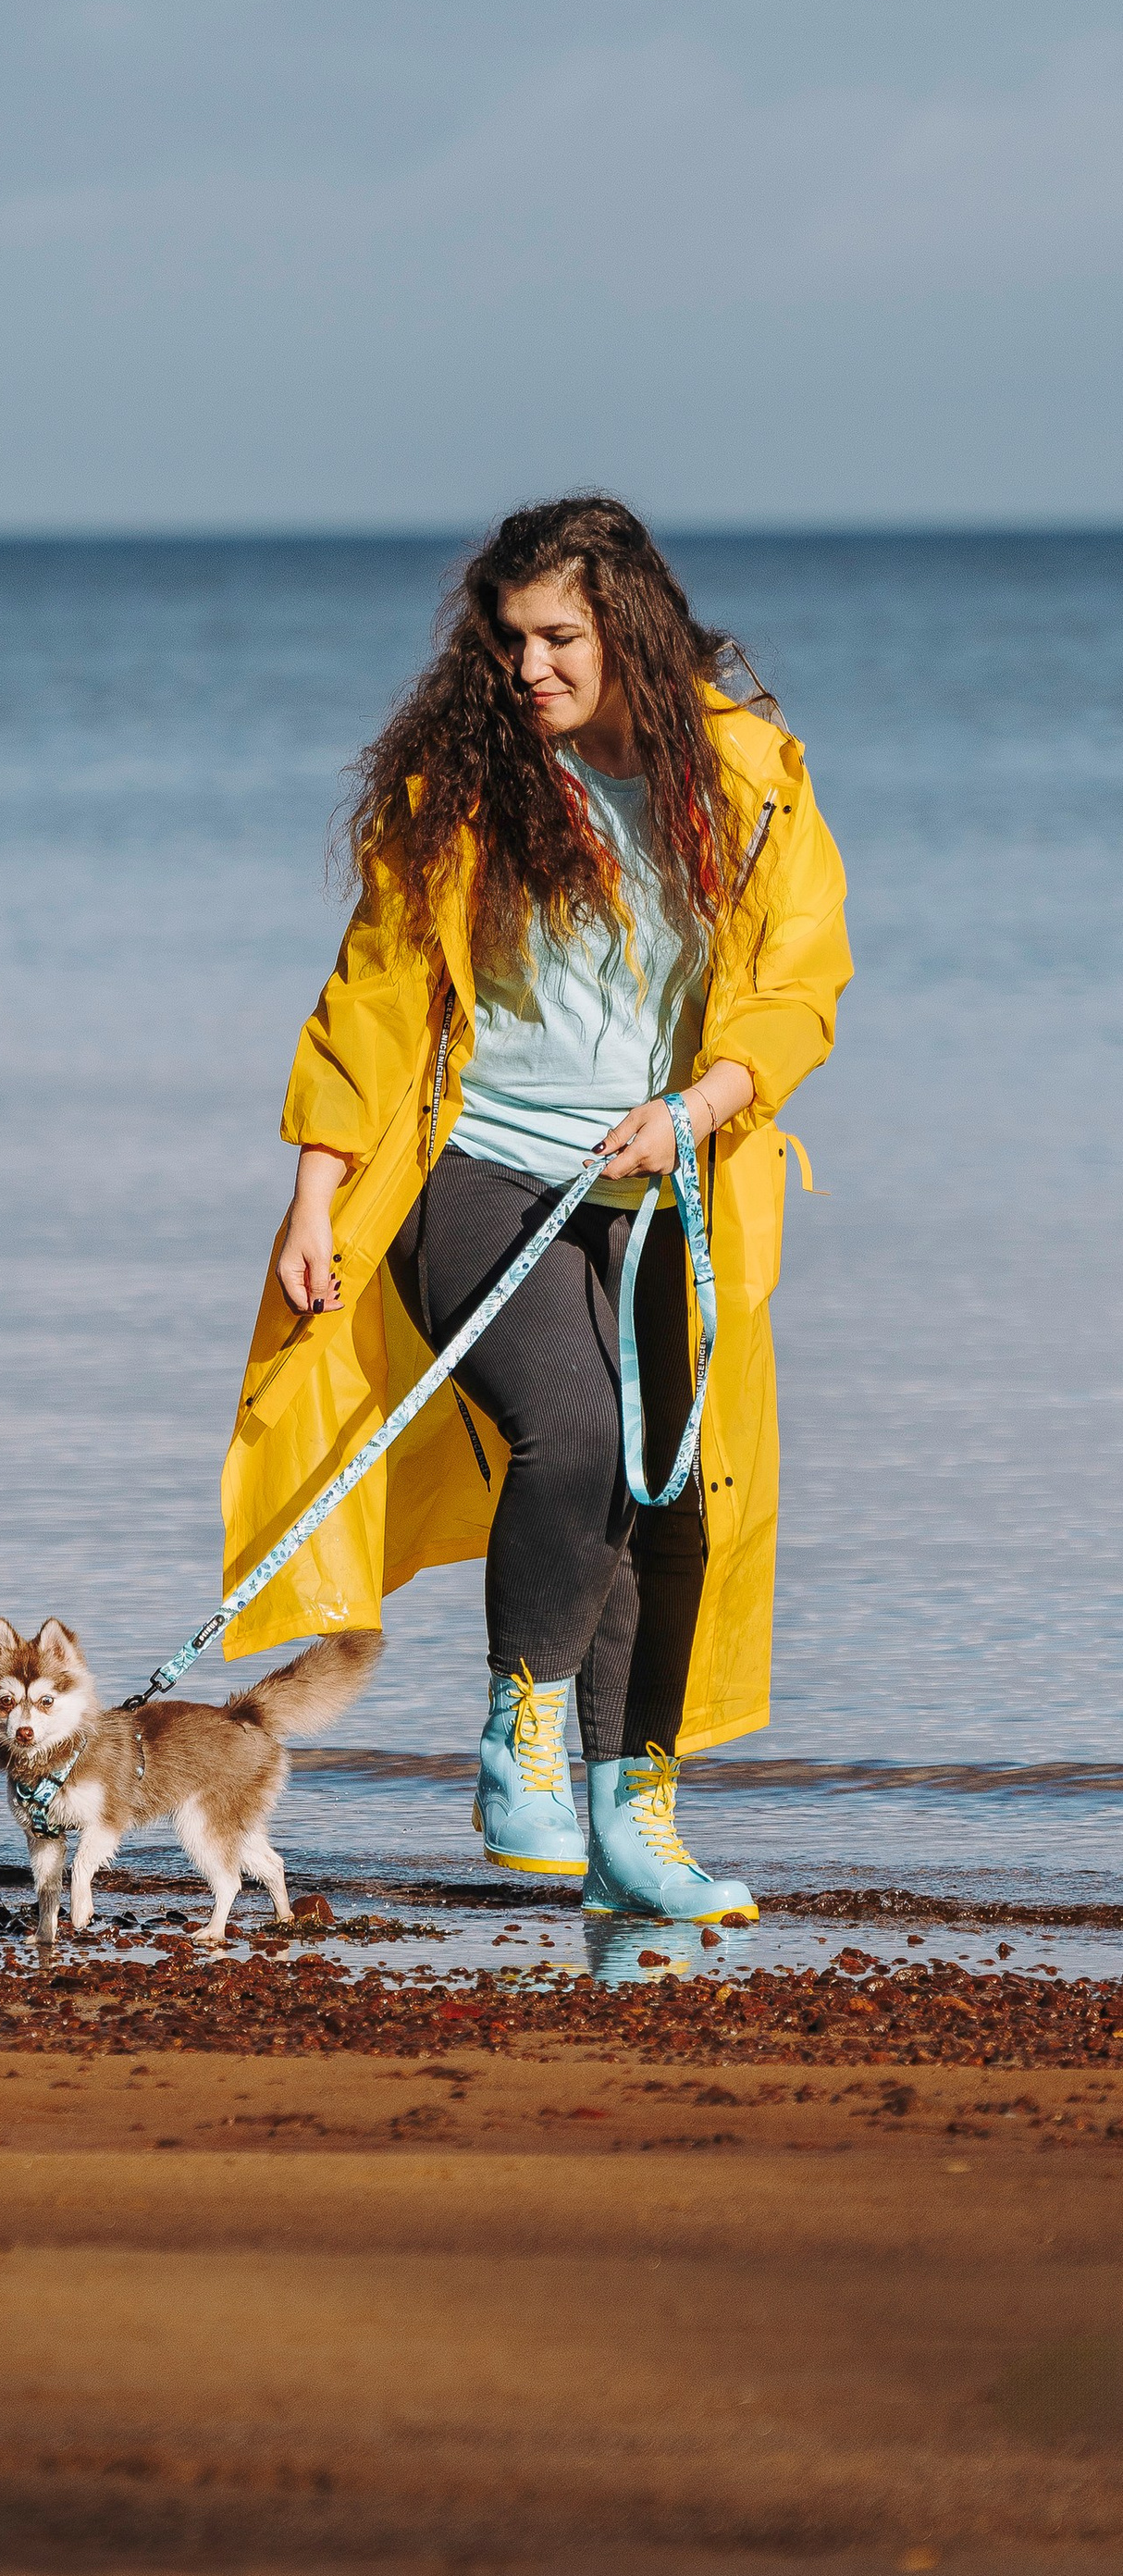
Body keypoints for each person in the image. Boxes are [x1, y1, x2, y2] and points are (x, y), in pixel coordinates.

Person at [219, 495, 850, 1922]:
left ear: (629, 626)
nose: (529, 665)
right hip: (476, 1169)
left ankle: (640, 1828)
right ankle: (523, 1735)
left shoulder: (747, 776)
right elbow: (373, 996)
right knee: (570, 1434)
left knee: (670, 1494)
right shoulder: (464, 785)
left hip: (666, 1178)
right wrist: (315, 1194)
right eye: (507, 637)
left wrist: (696, 1108)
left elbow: (798, 983)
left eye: (559, 634)